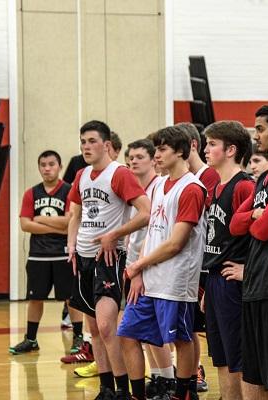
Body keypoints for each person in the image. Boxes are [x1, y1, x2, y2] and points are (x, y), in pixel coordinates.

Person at [118, 126, 207, 400]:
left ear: (181, 151)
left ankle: (183, 392)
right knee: (128, 334)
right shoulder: (158, 184)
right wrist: (138, 271)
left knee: (181, 339)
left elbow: (175, 243)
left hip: (175, 281)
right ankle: (137, 395)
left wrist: (137, 265)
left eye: (162, 149)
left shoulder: (191, 188)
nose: (156, 155)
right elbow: (152, 234)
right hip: (150, 278)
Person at [67, 120, 151, 399]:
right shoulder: (81, 174)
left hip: (109, 257)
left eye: (91, 141)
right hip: (83, 257)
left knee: (106, 325)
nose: (86, 147)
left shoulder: (120, 174)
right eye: (82, 142)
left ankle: (122, 389)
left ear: (106, 145)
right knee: (93, 327)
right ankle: (105, 388)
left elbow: (145, 212)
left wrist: (114, 235)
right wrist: (71, 245)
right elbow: (75, 215)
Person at [230, 103, 268, 399]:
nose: (255, 136)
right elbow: (234, 224)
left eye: (260, 129)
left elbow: (267, 227)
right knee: (254, 372)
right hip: (254, 286)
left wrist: (256, 217)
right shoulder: (266, 177)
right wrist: (255, 215)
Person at [9, 150, 82, 354]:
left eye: (51, 164)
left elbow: (70, 221)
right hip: (38, 255)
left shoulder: (69, 191)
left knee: (71, 298)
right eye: (43, 164)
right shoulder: (31, 193)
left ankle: (78, 338)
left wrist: (39, 219)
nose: (47, 168)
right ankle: (31, 339)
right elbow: (25, 225)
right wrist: (57, 226)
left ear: (59, 167)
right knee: (35, 298)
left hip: (64, 253)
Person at [202, 121, 255, 400]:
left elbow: (264, 236)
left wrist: (251, 270)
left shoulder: (244, 186)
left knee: (238, 358)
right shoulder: (216, 187)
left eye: (212, 144)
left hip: (234, 283)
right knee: (220, 358)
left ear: (231, 149)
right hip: (215, 279)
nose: (205, 149)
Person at [175, 122, 220, 396]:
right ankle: (191, 373)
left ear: (191, 146)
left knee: (198, 327)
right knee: (187, 326)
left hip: (206, 262)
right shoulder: (179, 180)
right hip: (188, 262)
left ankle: (195, 373)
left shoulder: (209, 176)